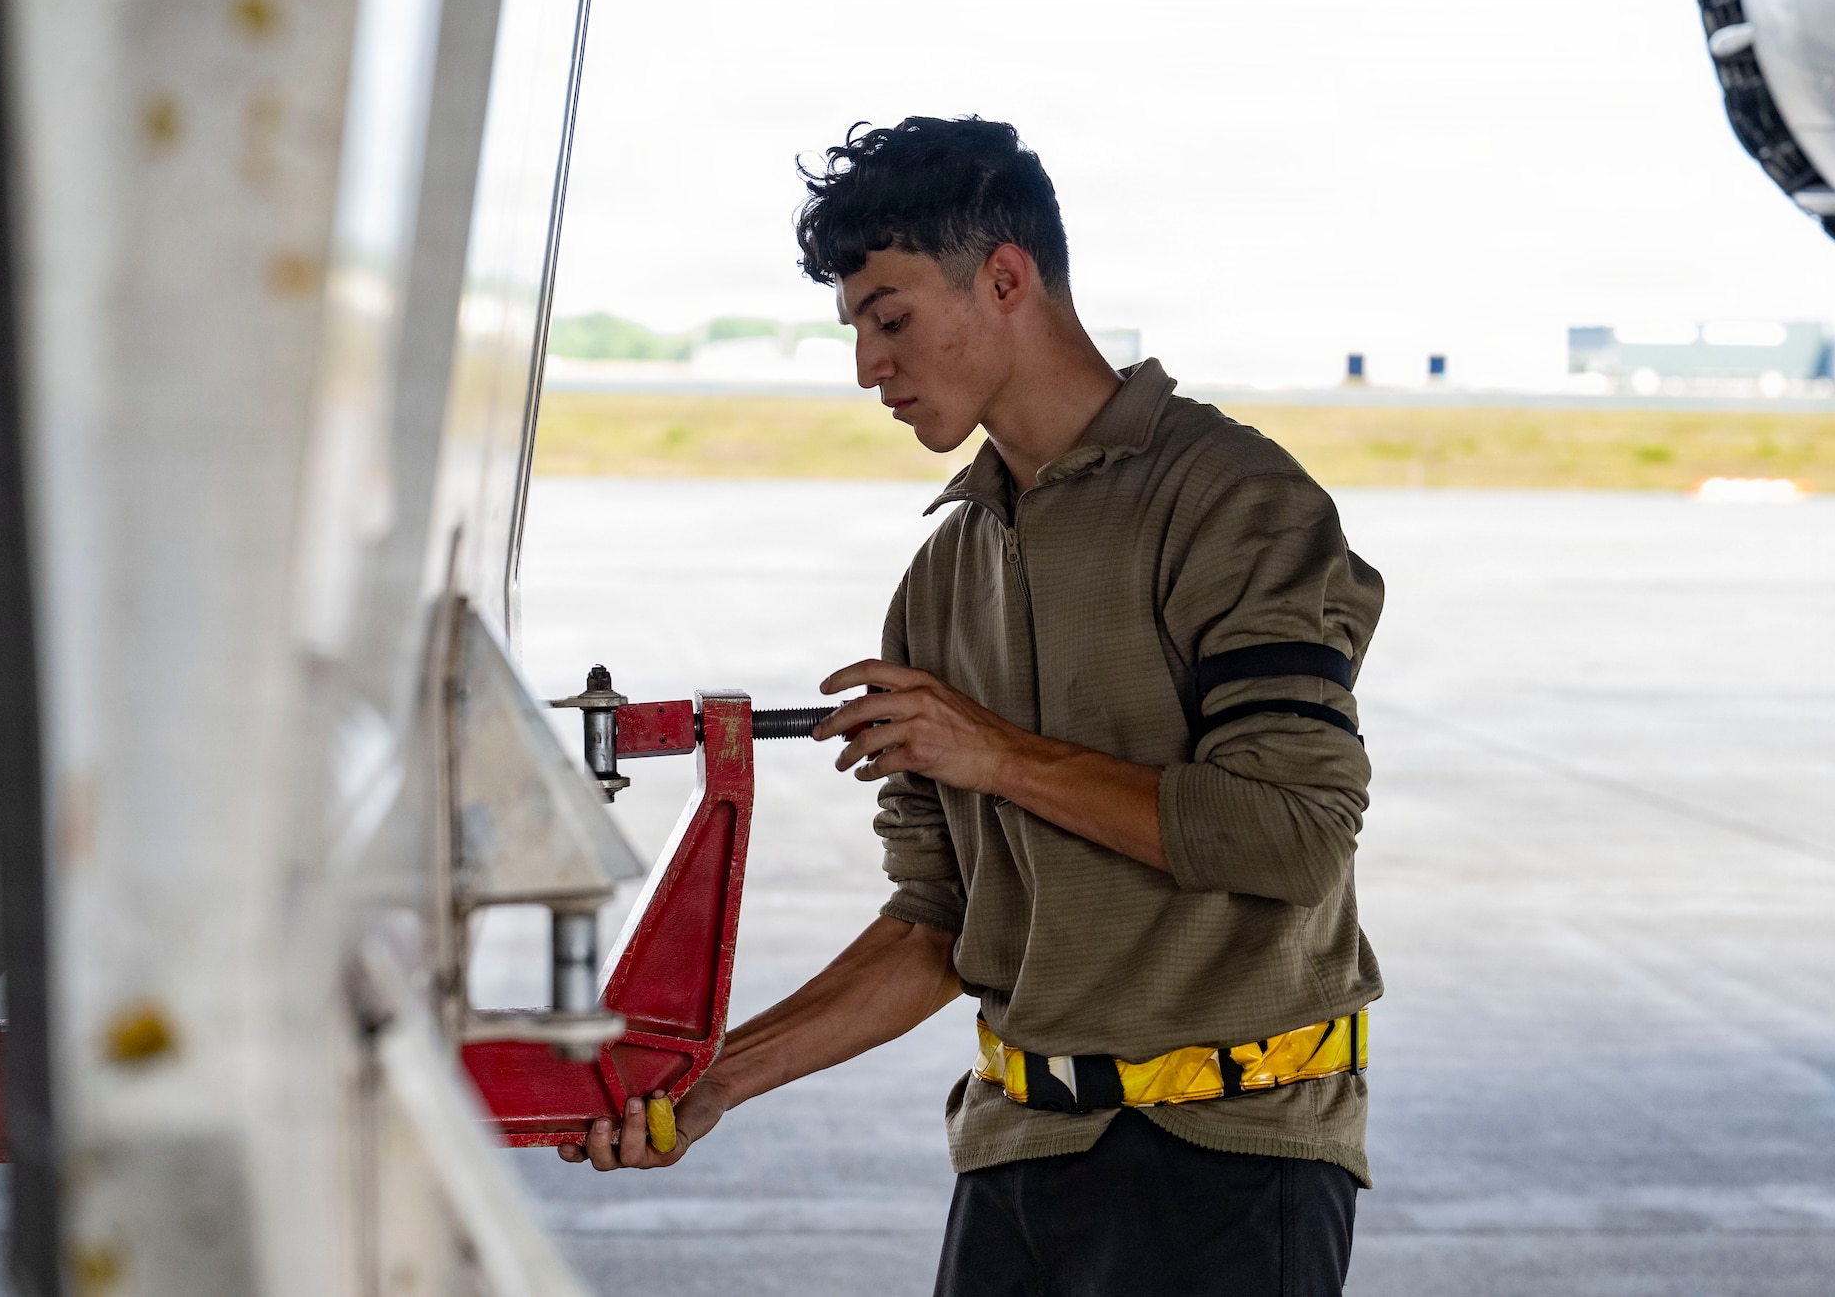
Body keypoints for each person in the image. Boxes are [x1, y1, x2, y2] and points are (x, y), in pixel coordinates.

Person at [556, 115, 1384, 1296]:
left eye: (888, 319)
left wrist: (989, 753)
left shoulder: (1236, 504)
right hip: (1019, 1155)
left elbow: (1288, 835)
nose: (866, 368)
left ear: (1005, 277)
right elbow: (936, 926)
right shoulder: (941, 581)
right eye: (854, 330)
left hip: (1232, 1166)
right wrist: (713, 1079)